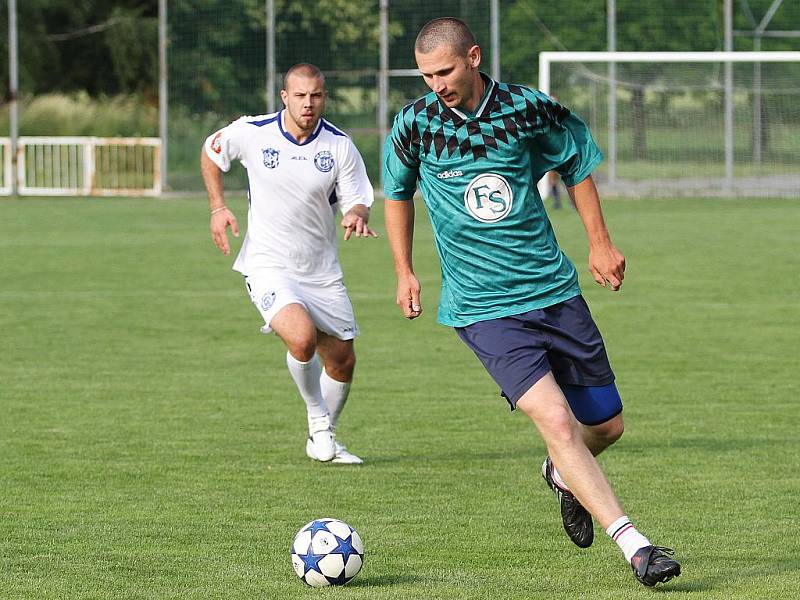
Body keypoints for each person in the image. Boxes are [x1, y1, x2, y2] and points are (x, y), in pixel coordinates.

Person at [382, 18, 681, 587]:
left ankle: (563, 476)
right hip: (483, 306)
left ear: (473, 56)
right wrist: (404, 271)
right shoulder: (414, 124)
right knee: (554, 419)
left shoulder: (527, 109)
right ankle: (636, 546)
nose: (435, 84)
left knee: (607, 427)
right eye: (425, 75)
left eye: (444, 71)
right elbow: (396, 193)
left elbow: (578, 164)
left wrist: (600, 242)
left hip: (553, 290)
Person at [201, 63, 377, 465]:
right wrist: (217, 207)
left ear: (324, 97)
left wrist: (357, 215)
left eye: (315, 95)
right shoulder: (252, 131)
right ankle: (318, 420)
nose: (308, 103)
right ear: (285, 97)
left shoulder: (338, 146)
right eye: (300, 95)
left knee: (343, 359)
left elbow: (358, 197)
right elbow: (211, 153)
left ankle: (324, 438)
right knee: (301, 338)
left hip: (321, 271)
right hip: (267, 264)